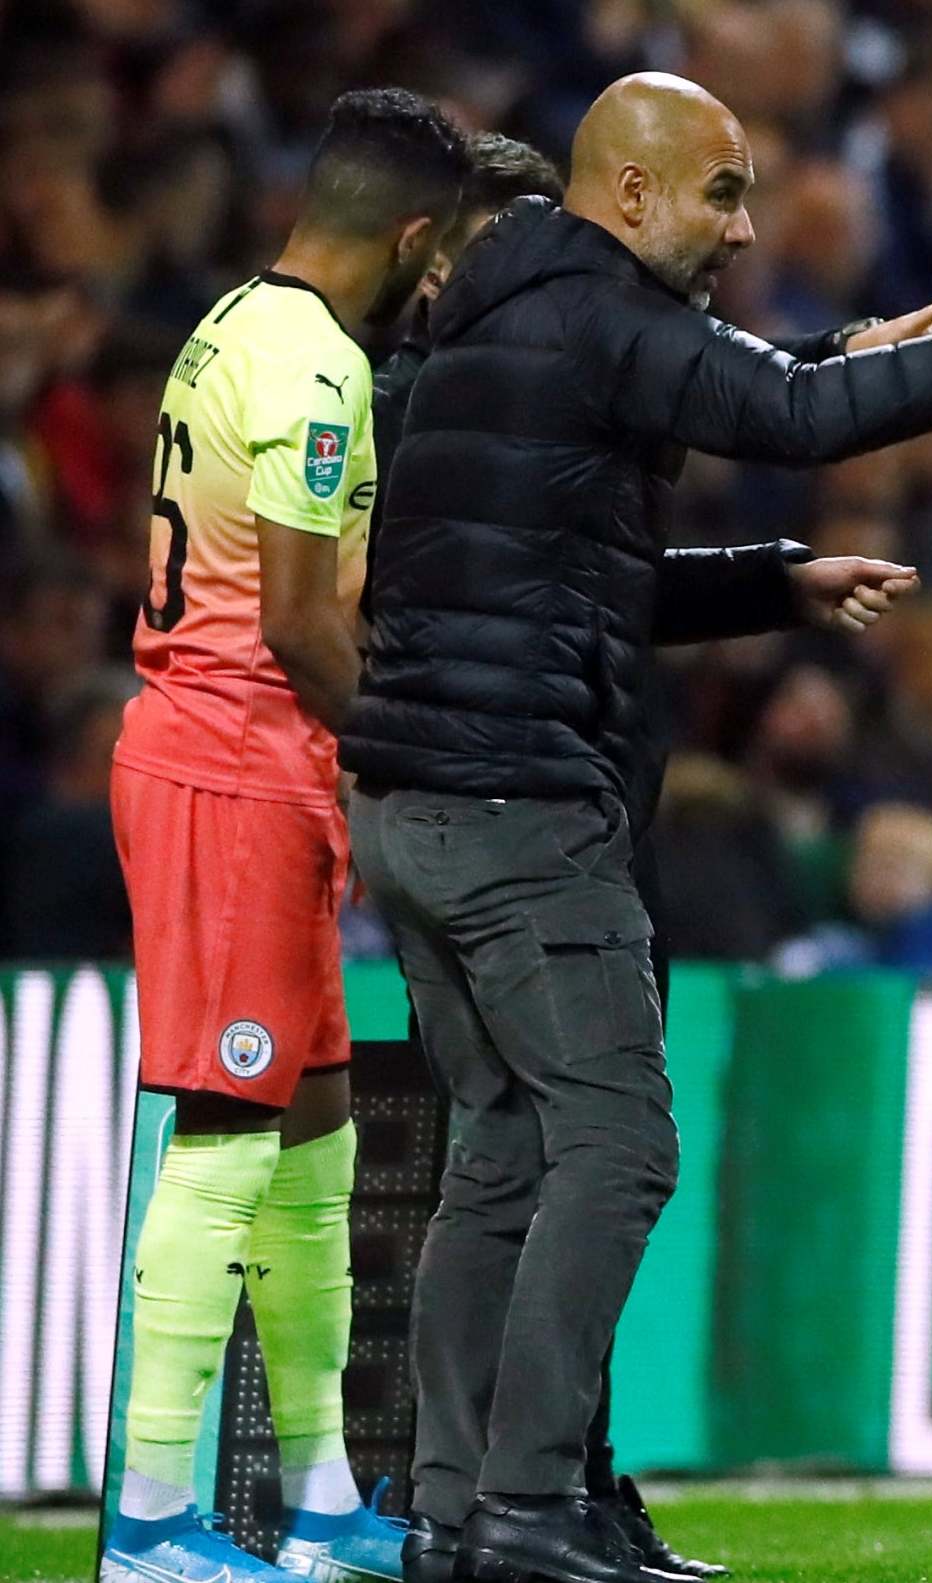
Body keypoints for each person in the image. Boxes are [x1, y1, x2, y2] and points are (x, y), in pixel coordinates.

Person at [341, 71, 932, 1583]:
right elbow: (789, 413)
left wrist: (767, 577)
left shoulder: (504, 326)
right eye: (722, 194)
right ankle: (531, 1509)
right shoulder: (594, 307)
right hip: (517, 804)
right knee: (613, 1145)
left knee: (505, 1155)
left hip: (422, 807)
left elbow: (569, 574)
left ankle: (459, 1514)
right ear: (626, 196)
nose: (741, 229)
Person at [100, 89, 468, 1583]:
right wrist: (423, 756)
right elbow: (308, 623)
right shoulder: (319, 369)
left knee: (313, 1138)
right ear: (415, 236)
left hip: (260, 769)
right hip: (232, 772)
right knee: (225, 1129)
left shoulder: (234, 322)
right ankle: (146, 1528)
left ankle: (319, 1505)